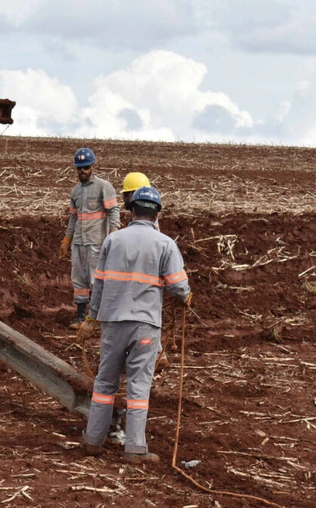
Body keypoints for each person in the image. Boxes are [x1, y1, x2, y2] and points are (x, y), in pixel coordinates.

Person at [78, 186, 191, 463]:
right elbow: (178, 286)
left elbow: (99, 285)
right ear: (157, 214)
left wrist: (91, 320)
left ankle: (93, 440)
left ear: (132, 210)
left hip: (112, 324)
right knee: (138, 388)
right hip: (145, 326)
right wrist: (186, 296)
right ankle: (135, 449)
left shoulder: (113, 241)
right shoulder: (165, 244)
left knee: (104, 383)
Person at [58, 147, 119, 328]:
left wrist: (113, 236)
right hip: (79, 243)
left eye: (85, 167)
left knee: (96, 281)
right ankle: (80, 317)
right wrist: (66, 240)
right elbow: (73, 218)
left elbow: (113, 212)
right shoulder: (76, 191)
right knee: (79, 280)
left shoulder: (104, 187)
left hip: (96, 243)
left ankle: (99, 320)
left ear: (92, 166)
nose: (82, 171)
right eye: (79, 168)